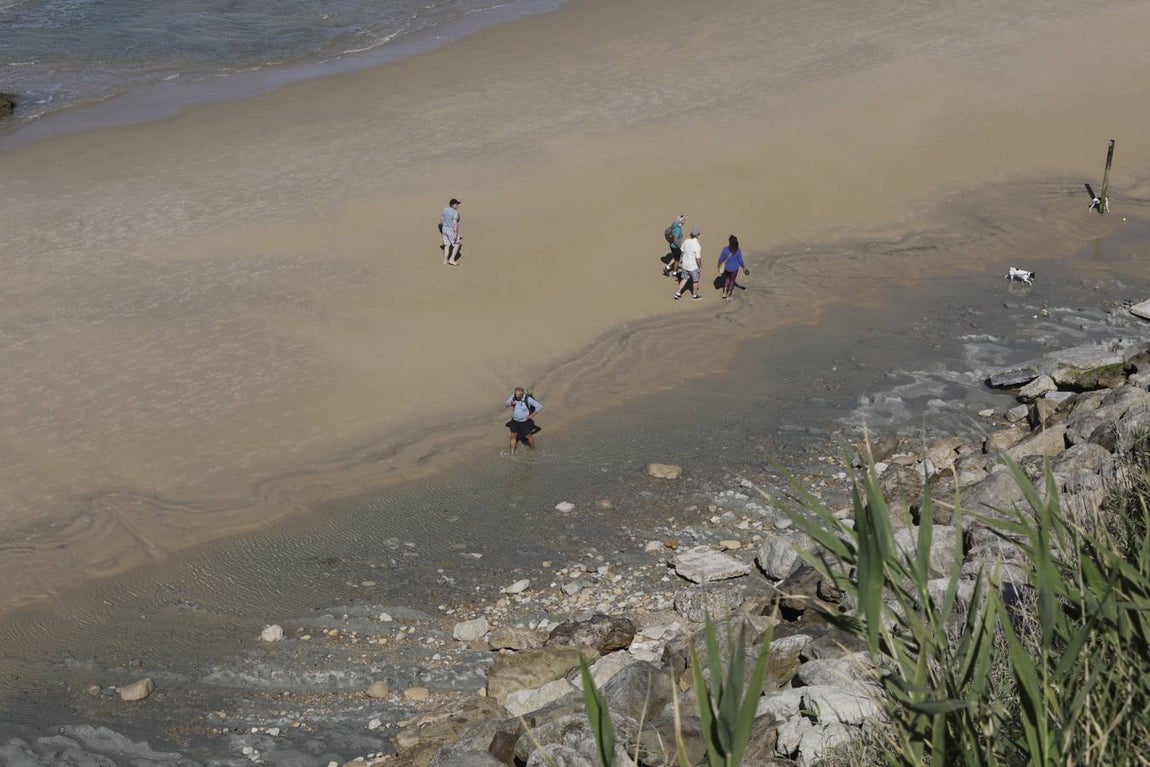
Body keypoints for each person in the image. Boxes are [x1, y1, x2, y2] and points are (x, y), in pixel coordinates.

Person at [504, 387, 542, 454]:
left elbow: (539, 406)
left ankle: (533, 449)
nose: (517, 398)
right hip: (514, 421)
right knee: (513, 435)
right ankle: (512, 453)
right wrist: (510, 403)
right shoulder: (513, 396)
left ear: (522, 394)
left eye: (519, 397)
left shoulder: (528, 399)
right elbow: (506, 404)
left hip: (524, 422)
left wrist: (531, 416)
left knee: (528, 436)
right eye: (516, 396)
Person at [717, 234, 750, 300]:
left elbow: (720, 259)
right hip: (734, 269)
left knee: (727, 279)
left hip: (727, 268)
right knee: (732, 281)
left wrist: (718, 265)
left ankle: (724, 293)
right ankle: (729, 295)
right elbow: (740, 261)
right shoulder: (738, 251)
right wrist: (744, 267)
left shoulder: (725, 249)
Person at [673, 228, 703, 300]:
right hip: (693, 266)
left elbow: (682, 250)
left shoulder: (686, 241)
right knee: (695, 280)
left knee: (684, 279)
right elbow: (698, 258)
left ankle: (678, 293)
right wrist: (700, 266)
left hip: (685, 265)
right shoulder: (697, 245)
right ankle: (694, 295)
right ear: (697, 235)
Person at [662, 214, 686, 279]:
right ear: (680, 221)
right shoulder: (678, 229)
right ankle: (674, 273)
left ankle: (667, 268)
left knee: (675, 257)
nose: (685, 221)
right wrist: (680, 247)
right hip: (676, 246)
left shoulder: (674, 224)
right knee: (677, 260)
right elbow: (675, 240)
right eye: (683, 220)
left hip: (672, 245)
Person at [440, 198, 462, 265]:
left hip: (444, 229)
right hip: (450, 230)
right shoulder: (455, 213)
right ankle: (451, 259)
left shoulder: (445, 209)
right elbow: (455, 223)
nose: (458, 205)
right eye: (457, 204)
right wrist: (456, 233)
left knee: (447, 245)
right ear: (453, 205)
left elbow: (441, 219)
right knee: (457, 244)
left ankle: (445, 260)